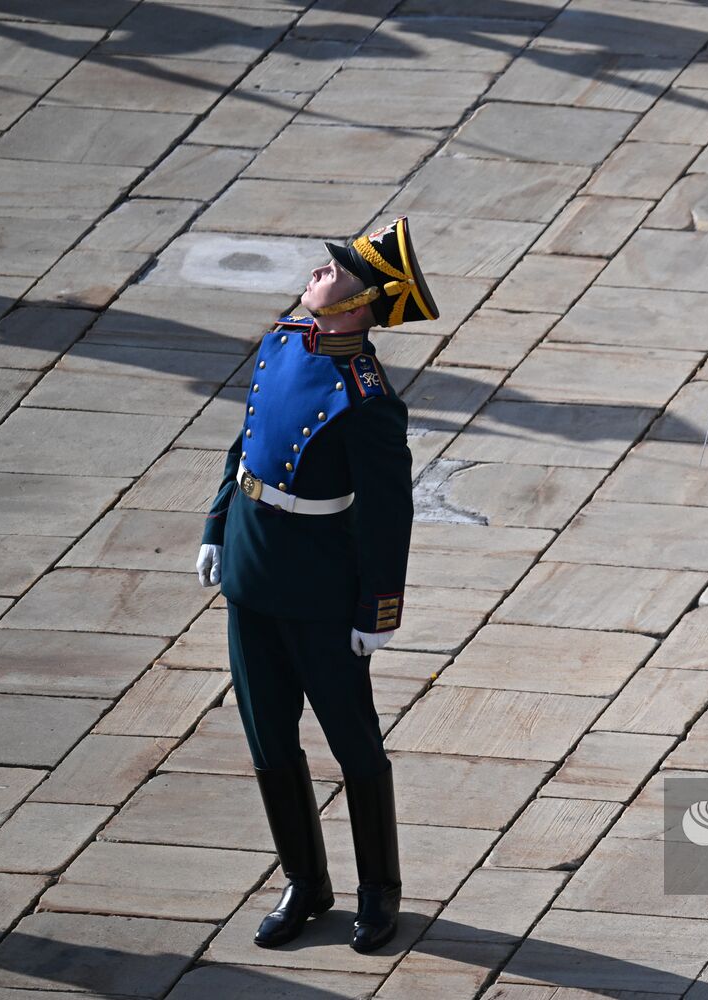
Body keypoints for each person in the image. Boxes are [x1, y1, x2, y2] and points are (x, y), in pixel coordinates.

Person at [195, 217, 436, 953]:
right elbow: (248, 440)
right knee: (268, 735)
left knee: (351, 742)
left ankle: (378, 891)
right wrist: (216, 527)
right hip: (252, 565)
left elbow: (389, 513)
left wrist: (379, 608)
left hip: (320, 590)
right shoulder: (282, 339)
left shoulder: (367, 398)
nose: (318, 273)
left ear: (360, 305)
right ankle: (305, 881)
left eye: (334, 273)